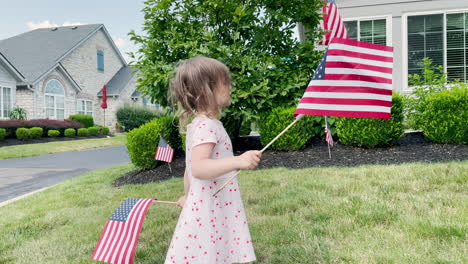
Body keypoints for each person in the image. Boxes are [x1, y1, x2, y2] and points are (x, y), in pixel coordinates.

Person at [164, 56, 262, 264]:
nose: (230, 87)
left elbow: (189, 171)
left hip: (211, 202)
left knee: (213, 251)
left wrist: (187, 196)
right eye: (225, 82)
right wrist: (238, 161)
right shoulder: (206, 126)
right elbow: (199, 168)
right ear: (206, 90)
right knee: (207, 252)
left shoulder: (204, 124)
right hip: (209, 207)